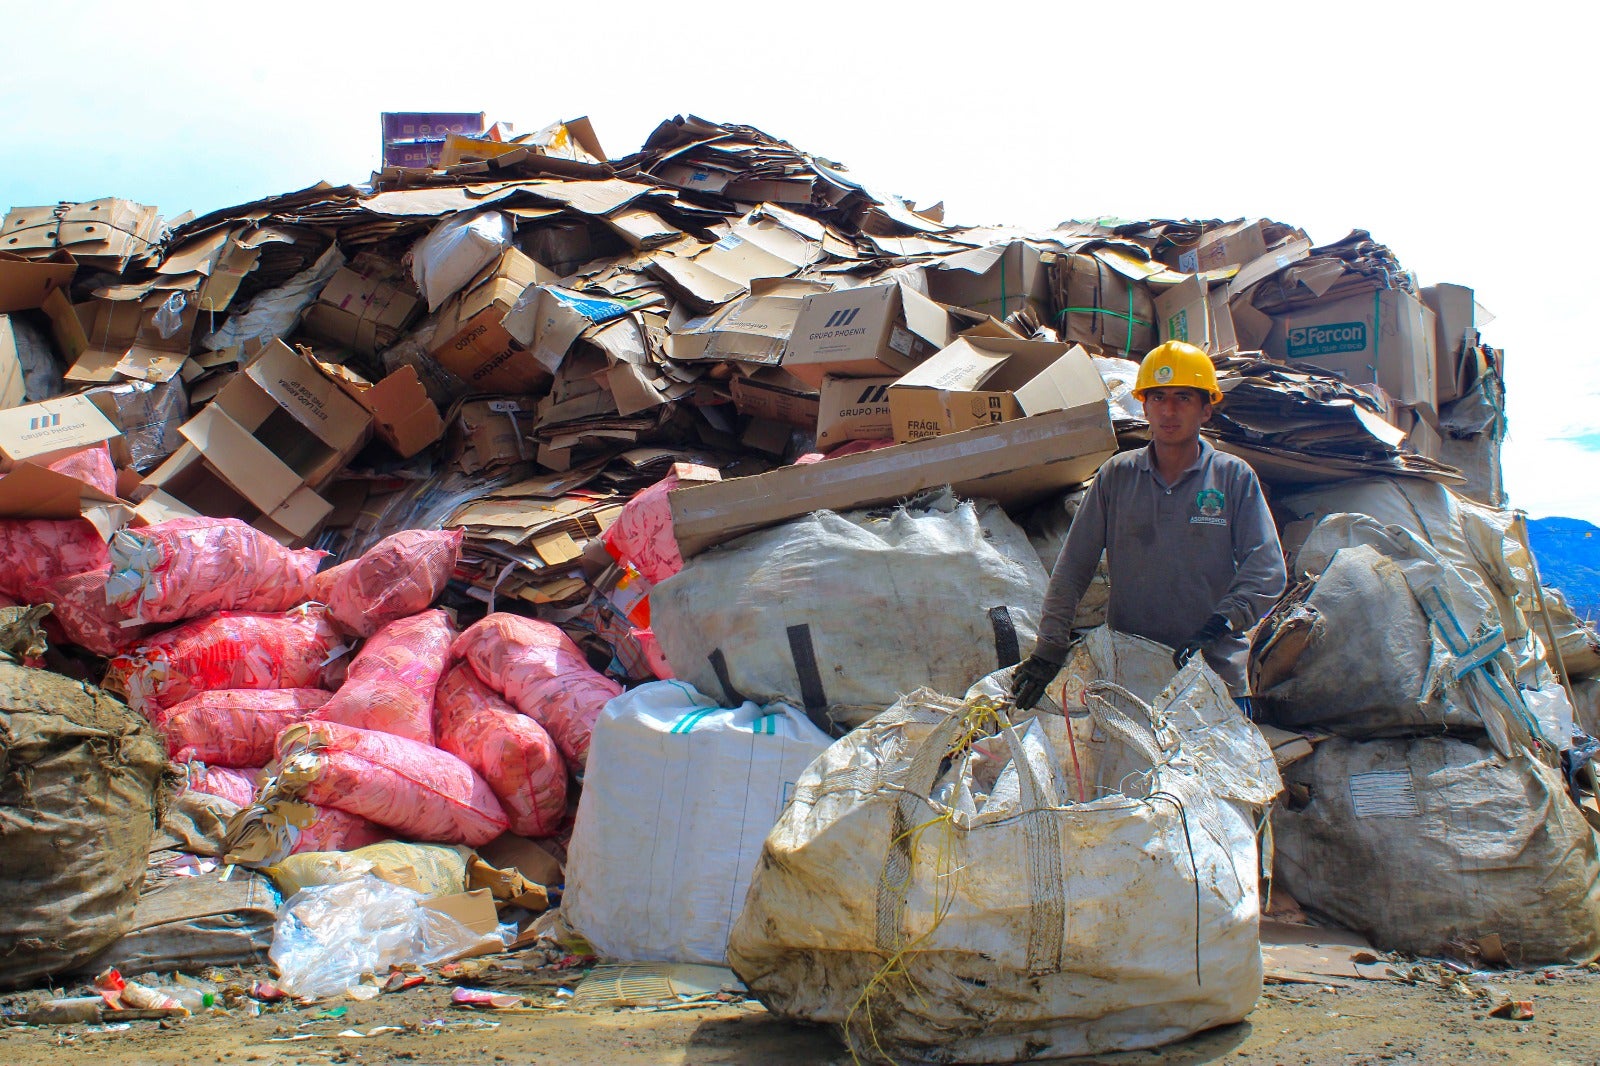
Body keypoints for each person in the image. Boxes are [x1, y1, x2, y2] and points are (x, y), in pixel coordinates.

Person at [1011, 340, 1287, 715]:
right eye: (1157, 397)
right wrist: (1048, 650)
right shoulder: (1117, 476)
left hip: (1214, 679)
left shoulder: (1232, 477)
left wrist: (1221, 623)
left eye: (1183, 398)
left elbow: (1266, 569)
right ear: (1144, 405)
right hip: (1131, 679)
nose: (1169, 410)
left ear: (1207, 408)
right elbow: (1073, 569)